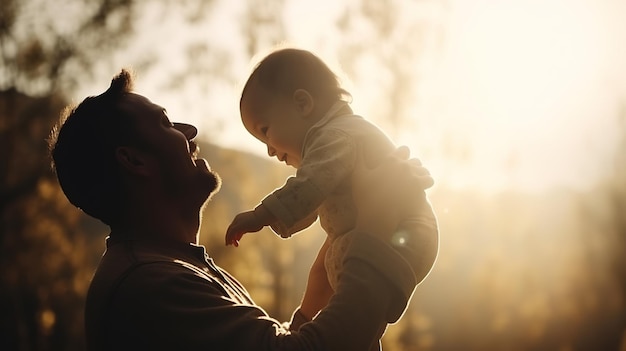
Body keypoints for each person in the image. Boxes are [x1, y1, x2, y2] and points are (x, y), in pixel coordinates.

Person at [49, 68, 437, 350]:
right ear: (134, 161)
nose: (190, 132)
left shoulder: (173, 268)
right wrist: (374, 226)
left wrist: (312, 303)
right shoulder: (147, 285)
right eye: (165, 122)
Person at [225, 48, 439, 324]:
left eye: (265, 131)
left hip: (403, 231)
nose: (269, 151)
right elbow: (312, 199)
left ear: (303, 104)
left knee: (348, 283)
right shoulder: (337, 135)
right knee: (324, 266)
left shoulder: (335, 135)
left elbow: (308, 187)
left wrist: (260, 215)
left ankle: (351, 328)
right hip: (385, 231)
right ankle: (305, 319)